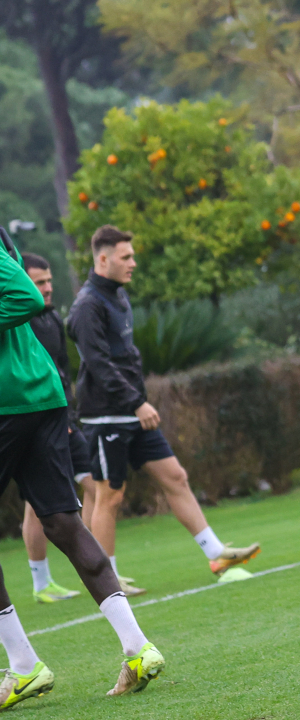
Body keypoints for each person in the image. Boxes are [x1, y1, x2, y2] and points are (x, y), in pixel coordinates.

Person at [0, 231, 164, 708]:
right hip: (39, 396)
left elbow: (27, 298)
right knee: (62, 522)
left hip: (9, 400)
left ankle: (24, 666)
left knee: (67, 521)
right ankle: (138, 648)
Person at [66, 226, 260, 593]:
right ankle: (106, 581)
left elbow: (125, 356)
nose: (133, 263)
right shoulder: (87, 305)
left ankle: (217, 554)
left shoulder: (117, 295)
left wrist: (137, 401)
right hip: (107, 415)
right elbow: (98, 363)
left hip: (132, 412)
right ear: (103, 259)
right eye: (126, 257)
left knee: (175, 477)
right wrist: (136, 402)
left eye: (132, 256)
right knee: (110, 495)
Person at [20, 254, 96, 602]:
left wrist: (68, 412)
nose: (48, 288)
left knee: (95, 487)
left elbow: (61, 371)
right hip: (44, 422)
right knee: (38, 504)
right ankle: (43, 584)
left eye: (49, 281)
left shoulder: (51, 317)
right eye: (40, 283)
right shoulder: (20, 324)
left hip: (65, 418)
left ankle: (99, 564)